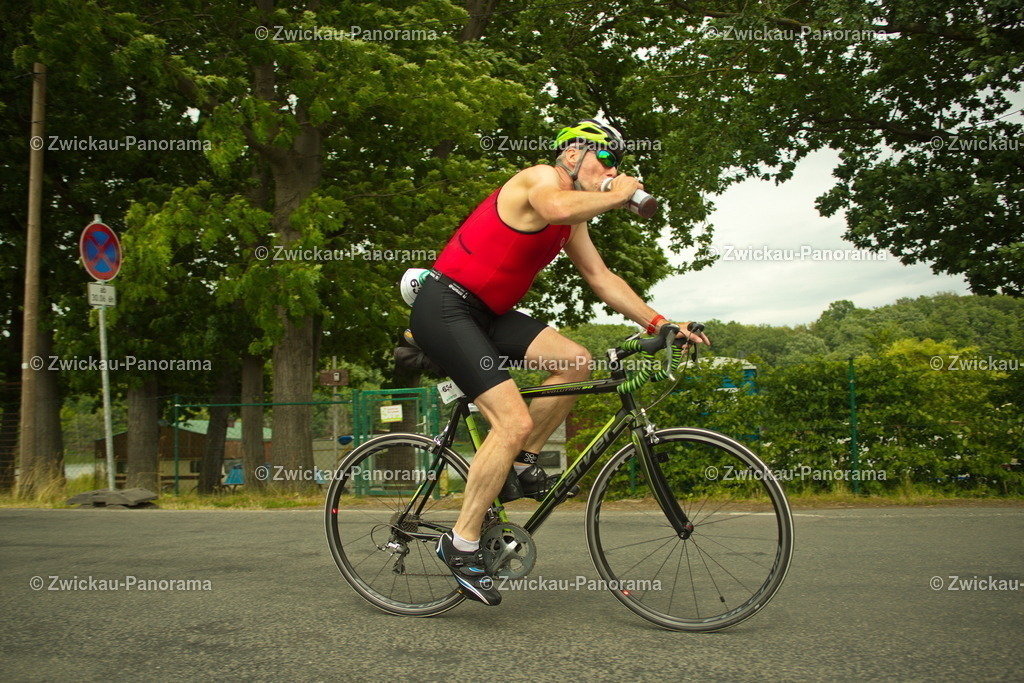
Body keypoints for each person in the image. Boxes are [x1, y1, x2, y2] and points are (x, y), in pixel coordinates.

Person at [409, 119, 710, 605]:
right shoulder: (539, 180)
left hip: (488, 314)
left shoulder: (574, 220)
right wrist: (619, 194)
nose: (613, 169)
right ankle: (460, 543)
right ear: (572, 152)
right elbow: (554, 206)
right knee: (511, 419)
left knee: (576, 362)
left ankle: (520, 461)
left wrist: (660, 323)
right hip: (446, 306)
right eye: (606, 157)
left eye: (618, 163)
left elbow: (601, 277)